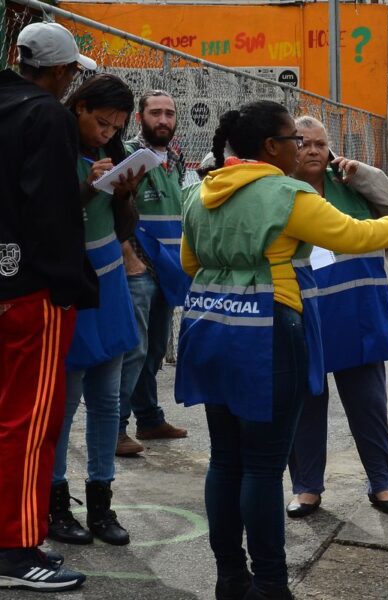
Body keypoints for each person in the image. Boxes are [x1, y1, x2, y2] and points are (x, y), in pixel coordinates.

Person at [176, 100, 388, 600]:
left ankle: (230, 580)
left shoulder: (200, 193)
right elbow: (355, 234)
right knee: (262, 467)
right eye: (293, 141)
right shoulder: (286, 194)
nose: (301, 149)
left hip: (209, 324)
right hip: (269, 328)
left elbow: (189, 260)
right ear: (270, 147)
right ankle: (271, 584)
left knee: (225, 461)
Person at [0, 21, 97, 593]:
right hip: (31, 289)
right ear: (59, 72)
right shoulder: (46, 115)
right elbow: (54, 211)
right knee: (29, 421)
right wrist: (71, 284)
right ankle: (15, 548)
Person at [285, 116, 388, 519]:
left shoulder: (350, 186)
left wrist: (365, 176)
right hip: (306, 314)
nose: (314, 151)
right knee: (306, 403)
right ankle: (306, 488)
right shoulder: (283, 192)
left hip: (358, 315)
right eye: (304, 143)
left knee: (369, 405)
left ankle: (382, 483)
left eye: (322, 144)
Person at [48, 73, 145, 549]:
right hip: (71, 282)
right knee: (63, 405)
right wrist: (87, 189)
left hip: (109, 279)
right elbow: (49, 219)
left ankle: (102, 501)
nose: (107, 133)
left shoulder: (113, 155)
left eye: (116, 127)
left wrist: (124, 192)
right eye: (102, 122)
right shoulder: (51, 147)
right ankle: (56, 504)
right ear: (79, 107)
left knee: (108, 401)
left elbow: (123, 225)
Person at [116, 89, 189, 457]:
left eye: (169, 114)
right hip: (140, 265)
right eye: (156, 113)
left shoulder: (175, 159)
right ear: (141, 117)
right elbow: (116, 207)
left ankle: (149, 418)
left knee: (156, 348)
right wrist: (129, 254)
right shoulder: (130, 156)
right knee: (134, 348)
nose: (163, 120)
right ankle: (115, 427)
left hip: (168, 267)